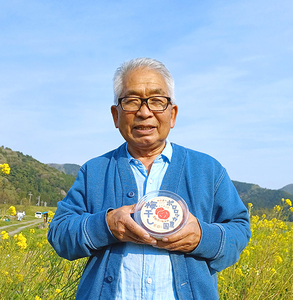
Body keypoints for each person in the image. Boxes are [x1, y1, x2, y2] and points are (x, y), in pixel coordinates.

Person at [47, 58, 251, 300]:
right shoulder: (94, 171)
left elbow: (239, 229)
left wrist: (201, 237)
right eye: (132, 101)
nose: (145, 112)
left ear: (172, 114)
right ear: (116, 115)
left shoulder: (208, 170)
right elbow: (59, 232)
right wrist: (107, 225)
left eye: (156, 101)